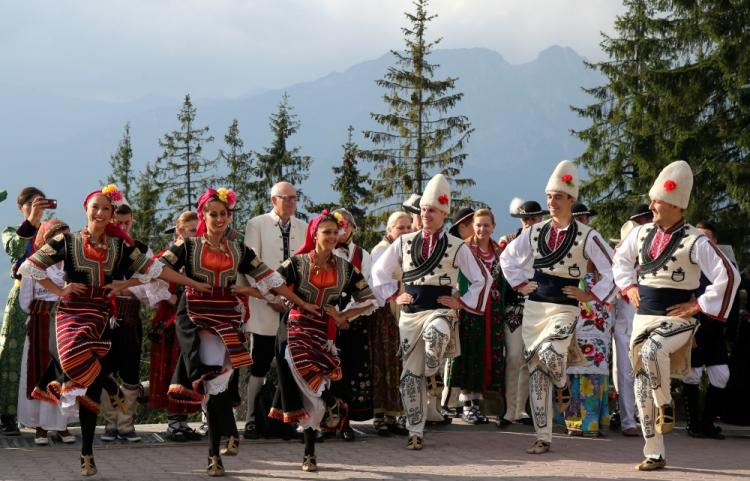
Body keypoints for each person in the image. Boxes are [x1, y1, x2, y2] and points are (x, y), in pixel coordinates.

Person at [19, 184, 208, 476]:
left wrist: (193, 284)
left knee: (88, 389)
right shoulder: (67, 242)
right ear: (86, 210)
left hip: (100, 315)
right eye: (95, 207)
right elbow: (30, 267)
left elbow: (155, 270)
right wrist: (60, 289)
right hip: (70, 312)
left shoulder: (120, 247)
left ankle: (87, 453)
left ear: (110, 214)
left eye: (105, 209)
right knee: (71, 357)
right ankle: (110, 385)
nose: (100, 212)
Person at [158, 187, 315, 476]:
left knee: (222, 382)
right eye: (213, 214)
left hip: (229, 319)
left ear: (230, 216)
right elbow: (158, 269)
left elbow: (269, 277)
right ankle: (216, 453)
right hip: (198, 318)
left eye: (224, 214)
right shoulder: (189, 246)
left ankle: (225, 440)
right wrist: (191, 282)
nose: (219, 219)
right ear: (204, 216)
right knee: (213, 381)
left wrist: (300, 301)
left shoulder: (238, 249)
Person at [612, 161, 739, 471]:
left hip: (678, 319)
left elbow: (729, 276)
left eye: (656, 201)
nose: (652, 205)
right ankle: (654, 453)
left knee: (654, 349)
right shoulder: (640, 233)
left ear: (673, 204)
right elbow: (620, 260)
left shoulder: (696, 240)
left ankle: (665, 403)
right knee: (641, 386)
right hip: (644, 315)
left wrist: (697, 306)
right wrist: (628, 286)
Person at [500, 160, 615, 455]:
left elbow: (614, 269)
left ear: (571, 200)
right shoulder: (534, 232)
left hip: (565, 308)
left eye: (558, 197)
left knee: (551, 355)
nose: (551, 202)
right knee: (537, 373)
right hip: (536, 308)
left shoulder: (588, 235)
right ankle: (543, 437)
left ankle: (562, 380)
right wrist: (519, 283)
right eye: (549, 197)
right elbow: (508, 257)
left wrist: (590, 294)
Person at [371, 174, 489, 450]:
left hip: (441, 312)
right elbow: (378, 272)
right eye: (423, 210)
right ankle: (416, 431)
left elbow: (481, 279)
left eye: (432, 210)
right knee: (409, 378)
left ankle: (434, 366)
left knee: (436, 334)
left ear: (444, 214)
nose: (426, 214)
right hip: (411, 315)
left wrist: (462, 302)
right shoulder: (403, 242)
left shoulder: (457, 246)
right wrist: (392, 294)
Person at [269, 210, 378, 472]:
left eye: (334, 232)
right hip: (296, 326)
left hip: (324, 332)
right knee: (300, 368)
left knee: (312, 400)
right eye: (326, 232)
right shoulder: (297, 263)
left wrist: (343, 314)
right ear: (314, 234)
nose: (331, 236)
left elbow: (370, 299)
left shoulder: (345, 267)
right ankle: (330, 402)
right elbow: (273, 283)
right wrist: (300, 302)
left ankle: (309, 451)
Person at [100, 203, 172, 443]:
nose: (122, 227)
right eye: (117, 222)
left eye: (126, 223)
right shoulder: (97, 246)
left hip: (130, 315)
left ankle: (126, 423)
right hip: (102, 314)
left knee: (130, 372)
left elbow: (155, 282)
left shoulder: (139, 249)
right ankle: (111, 423)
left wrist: (128, 289)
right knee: (105, 370)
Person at [241, 181, 307, 439]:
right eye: (285, 198)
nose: (290, 202)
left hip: (294, 306)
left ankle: (293, 417)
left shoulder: (302, 227)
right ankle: (251, 419)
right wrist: (270, 297)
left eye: (294, 198)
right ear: (273, 200)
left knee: (295, 361)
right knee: (260, 361)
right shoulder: (256, 224)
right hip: (264, 305)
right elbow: (250, 264)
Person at [16, 219, 76, 445]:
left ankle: (61, 425)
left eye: (67, 238)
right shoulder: (36, 264)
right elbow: (25, 301)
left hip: (64, 320)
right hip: (41, 321)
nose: (63, 243)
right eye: (58, 238)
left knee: (64, 371)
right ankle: (40, 426)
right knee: (40, 370)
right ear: (46, 240)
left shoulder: (73, 264)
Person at [560, 203, 615, 437]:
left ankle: (593, 423)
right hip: (576, 324)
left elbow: (615, 276)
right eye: (577, 217)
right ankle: (575, 423)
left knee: (596, 375)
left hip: (600, 327)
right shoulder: (565, 247)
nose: (582, 220)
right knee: (575, 373)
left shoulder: (597, 242)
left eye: (585, 217)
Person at [446, 208, 504, 424]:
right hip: (469, 308)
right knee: (469, 354)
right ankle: (466, 403)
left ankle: (480, 402)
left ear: (493, 227)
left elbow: (503, 283)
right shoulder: (464, 249)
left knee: (486, 354)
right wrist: (457, 300)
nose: (482, 229)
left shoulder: (498, 251)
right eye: (478, 225)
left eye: (486, 225)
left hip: (493, 311)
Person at [148, 211, 201, 441]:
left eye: (198, 230)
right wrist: (170, 298)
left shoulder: (198, 254)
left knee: (190, 367)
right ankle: (173, 422)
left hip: (192, 319)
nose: (196, 234)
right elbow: (149, 276)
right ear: (179, 230)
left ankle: (184, 419)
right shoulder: (167, 255)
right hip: (171, 320)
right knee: (171, 369)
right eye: (191, 230)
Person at [1, 187, 49, 436]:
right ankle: (7, 415)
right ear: (21, 208)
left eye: (39, 203)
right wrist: (32, 221)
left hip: (48, 300)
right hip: (21, 298)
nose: (36, 207)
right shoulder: (11, 231)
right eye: (31, 204)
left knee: (43, 356)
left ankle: (42, 416)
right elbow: (15, 250)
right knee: (12, 354)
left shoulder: (51, 231)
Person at [497, 198, 547, 427]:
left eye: (534, 218)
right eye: (526, 219)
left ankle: (520, 410)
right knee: (514, 356)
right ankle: (509, 409)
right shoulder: (509, 242)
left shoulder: (549, 242)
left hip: (539, 306)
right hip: (515, 306)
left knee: (530, 358)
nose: (530, 222)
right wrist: (519, 285)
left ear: (541, 218)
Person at [681, 220, 734, 439]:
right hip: (695, 327)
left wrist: (729, 333)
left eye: (708, 237)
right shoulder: (687, 267)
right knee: (692, 375)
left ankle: (707, 423)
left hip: (715, 329)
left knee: (721, 374)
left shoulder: (724, 266)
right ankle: (693, 424)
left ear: (715, 242)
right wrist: (687, 332)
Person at [331, 207, 374, 439]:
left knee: (350, 371)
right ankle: (327, 420)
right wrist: (335, 316)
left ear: (353, 229)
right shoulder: (324, 253)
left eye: (345, 225)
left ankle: (345, 422)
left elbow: (369, 292)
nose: (340, 230)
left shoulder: (363, 256)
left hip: (354, 322)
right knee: (329, 371)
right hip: (328, 320)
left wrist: (347, 316)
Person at [370, 211, 412, 435]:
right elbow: (376, 283)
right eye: (400, 228)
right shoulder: (380, 251)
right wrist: (394, 296)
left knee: (402, 363)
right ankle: (380, 416)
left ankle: (397, 415)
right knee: (385, 363)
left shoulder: (410, 248)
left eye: (408, 228)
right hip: (385, 312)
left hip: (406, 310)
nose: (405, 232)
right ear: (389, 230)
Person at [611, 220, 641, 436]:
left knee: (647, 373)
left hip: (646, 323)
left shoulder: (652, 261)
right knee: (625, 375)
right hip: (624, 327)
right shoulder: (617, 262)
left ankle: (644, 417)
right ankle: (628, 420)